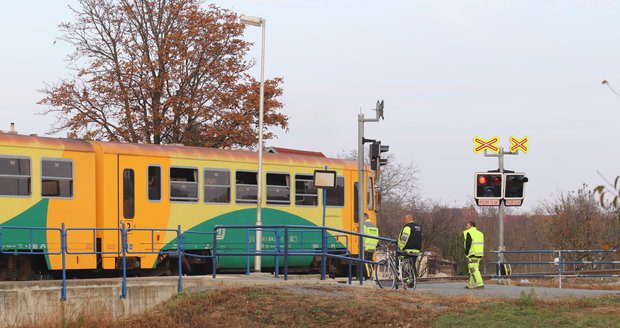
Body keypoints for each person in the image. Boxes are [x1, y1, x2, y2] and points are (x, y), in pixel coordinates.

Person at [398, 214, 422, 286]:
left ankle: (404, 277)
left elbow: (404, 239)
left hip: (408, 250)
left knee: (401, 260)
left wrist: (400, 248)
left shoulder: (408, 227)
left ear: (409, 219)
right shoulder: (418, 227)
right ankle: (412, 281)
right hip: (416, 250)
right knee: (412, 265)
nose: (404, 220)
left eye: (405, 219)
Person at [463, 221, 485, 289]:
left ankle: (480, 284)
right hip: (479, 254)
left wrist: (466, 253)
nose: (466, 227)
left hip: (473, 254)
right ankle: (470, 285)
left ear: (471, 226)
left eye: (467, 225)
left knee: (473, 269)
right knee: (473, 269)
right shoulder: (480, 233)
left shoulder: (469, 233)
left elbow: (468, 244)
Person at [363, 213, 380, 278]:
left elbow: (363, 237)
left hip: (366, 247)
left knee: (364, 261)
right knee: (370, 260)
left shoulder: (364, 225)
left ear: (364, 218)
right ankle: (372, 274)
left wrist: (360, 246)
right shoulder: (374, 226)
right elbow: (377, 237)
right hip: (373, 247)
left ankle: (368, 276)